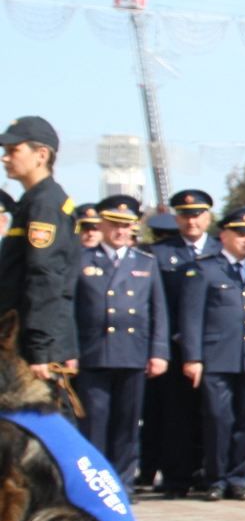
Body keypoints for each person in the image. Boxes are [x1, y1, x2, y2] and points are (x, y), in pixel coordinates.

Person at [72, 193, 168, 483]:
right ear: (101, 224)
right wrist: (69, 350)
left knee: (127, 424)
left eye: (126, 225)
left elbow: (158, 311)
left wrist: (159, 352)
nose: (120, 231)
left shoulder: (145, 263)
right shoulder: (82, 260)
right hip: (94, 353)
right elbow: (70, 309)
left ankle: (122, 483)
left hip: (132, 353)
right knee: (93, 422)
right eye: (113, 223)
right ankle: (94, 483)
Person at [178, 209, 245, 502]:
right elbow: (191, 317)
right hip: (217, 357)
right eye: (241, 234)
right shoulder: (205, 268)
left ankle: (238, 479)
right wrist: (192, 357)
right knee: (218, 420)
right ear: (224, 235)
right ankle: (216, 478)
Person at [142, 188, 215, 497]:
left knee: (213, 416)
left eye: (197, 214)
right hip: (174, 349)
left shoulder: (221, 249)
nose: (191, 221)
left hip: (214, 348)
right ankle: (176, 477)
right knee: (176, 416)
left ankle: (209, 473)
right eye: (185, 215)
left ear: (209, 216)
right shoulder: (159, 254)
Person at [0, 116, 79, 382]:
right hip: (24, 339)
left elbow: (44, 275)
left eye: (14, 151)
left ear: (41, 155)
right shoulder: (32, 201)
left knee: (43, 418)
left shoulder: (45, 204)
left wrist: (39, 349)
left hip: (33, 346)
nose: (5, 158)